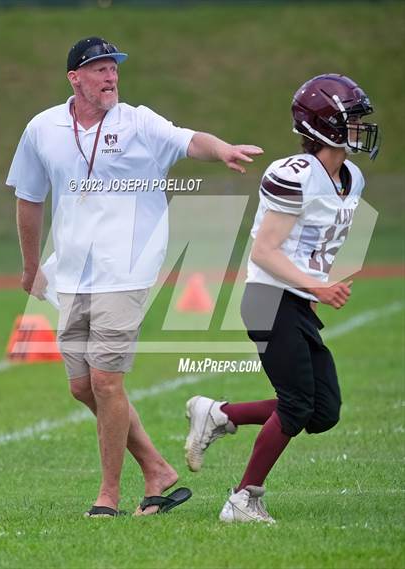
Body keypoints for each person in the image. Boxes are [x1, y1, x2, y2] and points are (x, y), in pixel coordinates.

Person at [6, 36, 263, 517]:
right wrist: (30, 266)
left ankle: (108, 496)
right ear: (75, 78)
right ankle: (157, 469)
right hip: (72, 272)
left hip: (127, 270)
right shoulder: (43, 128)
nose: (111, 76)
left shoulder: (139, 122)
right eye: (100, 69)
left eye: (114, 68)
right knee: (82, 387)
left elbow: (190, 140)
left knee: (106, 382)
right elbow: (29, 198)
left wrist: (223, 149)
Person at [184, 74, 379, 523]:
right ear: (324, 125)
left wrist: (312, 287)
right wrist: (316, 286)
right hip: (268, 298)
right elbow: (264, 251)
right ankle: (243, 499)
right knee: (295, 404)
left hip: (295, 301)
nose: (359, 128)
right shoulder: (295, 174)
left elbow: (314, 244)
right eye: (351, 120)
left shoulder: (352, 177)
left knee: (322, 411)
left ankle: (219, 414)